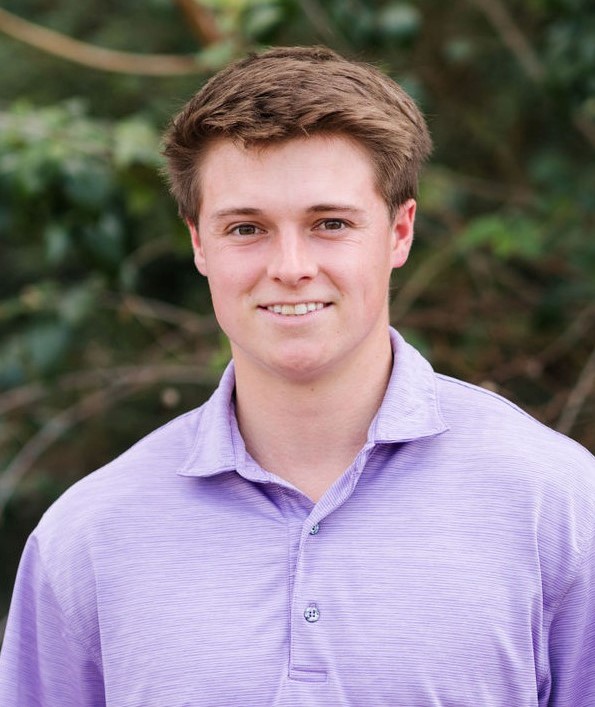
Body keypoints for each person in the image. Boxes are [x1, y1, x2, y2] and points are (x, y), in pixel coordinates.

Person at [0, 45, 594, 707]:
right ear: (198, 242)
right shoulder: (86, 537)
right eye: (246, 228)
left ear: (399, 232)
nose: (289, 267)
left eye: (330, 224)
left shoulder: (558, 506)